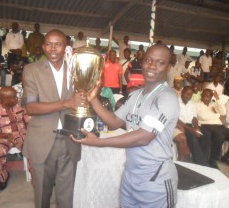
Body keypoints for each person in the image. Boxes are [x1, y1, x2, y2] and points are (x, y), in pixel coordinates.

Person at [71, 44, 179, 208]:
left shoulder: (166, 97)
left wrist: (99, 143)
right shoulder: (136, 95)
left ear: (169, 67)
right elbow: (114, 122)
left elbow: (143, 137)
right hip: (130, 176)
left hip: (155, 180)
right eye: (148, 60)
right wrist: (93, 99)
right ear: (141, 62)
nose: (152, 66)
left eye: (160, 62)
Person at [22, 29, 84, 208]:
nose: (53, 49)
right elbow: (30, 108)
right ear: (43, 47)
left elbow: (83, 101)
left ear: (66, 48)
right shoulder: (31, 70)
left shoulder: (76, 71)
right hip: (42, 141)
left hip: (70, 140)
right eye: (48, 44)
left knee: (67, 196)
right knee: (42, 194)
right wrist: (66, 103)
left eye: (58, 44)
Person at [0, 87, 29, 191]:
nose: (16, 98)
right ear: (3, 99)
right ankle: (3, 177)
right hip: (3, 136)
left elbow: (29, 120)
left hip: (22, 133)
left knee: (32, 148)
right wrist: (7, 136)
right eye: (12, 97)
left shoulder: (21, 104)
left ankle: (37, 176)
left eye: (15, 95)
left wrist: (30, 131)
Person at [196, 89, 229, 169]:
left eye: (208, 97)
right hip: (207, 126)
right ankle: (212, 160)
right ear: (201, 96)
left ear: (211, 97)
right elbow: (203, 117)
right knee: (220, 136)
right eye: (204, 96)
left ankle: (227, 157)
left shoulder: (214, 104)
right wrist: (217, 115)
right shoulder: (197, 105)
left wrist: (218, 100)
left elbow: (223, 112)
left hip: (220, 126)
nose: (206, 98)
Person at [176, 86, 210, 166]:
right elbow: (176, 119)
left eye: (190, 95)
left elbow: (194, 117)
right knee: (192, 138)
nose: (188, 96)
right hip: (182, 125)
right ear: (182, 92)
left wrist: (196, 127)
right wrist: (191, 130)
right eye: (186, 94)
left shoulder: (192, 104)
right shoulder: (175, 102)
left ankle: (204, 159)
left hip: (191, 125)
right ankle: (202, 163)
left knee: (206, 135)